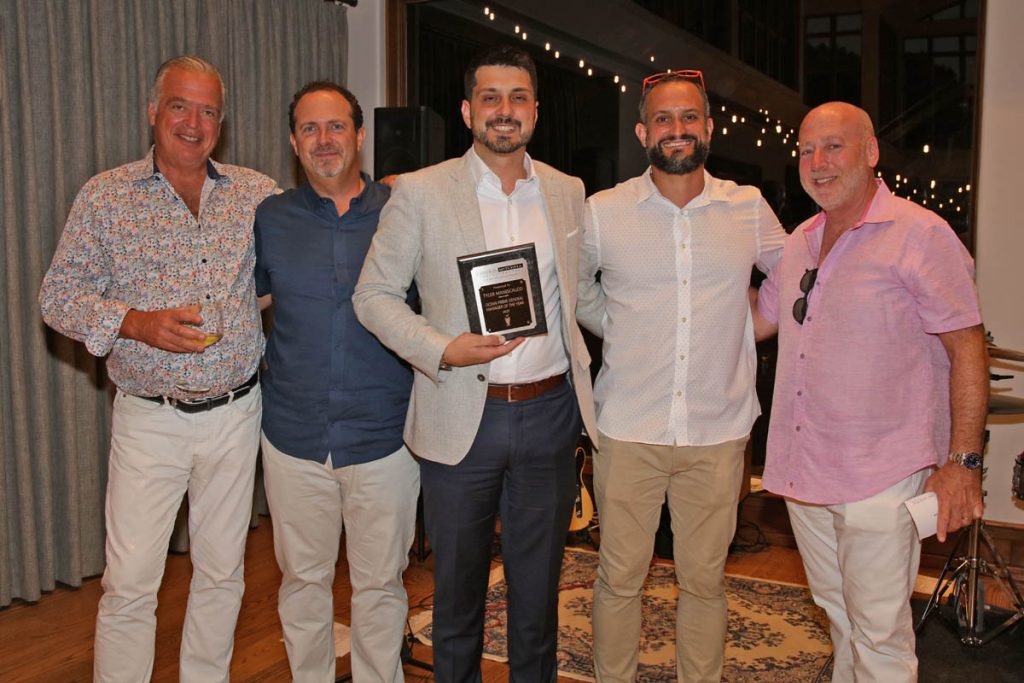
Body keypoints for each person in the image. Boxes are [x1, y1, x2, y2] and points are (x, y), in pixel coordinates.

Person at [353, 45, 597, 683]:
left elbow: (585, 297)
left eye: (518, 98)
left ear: (536, 112)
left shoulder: (569, 194)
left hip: (549, 415)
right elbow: (372, 296)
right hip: (460, 413)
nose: (504, 111)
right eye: (490, 98)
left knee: (538, 600)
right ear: (467, 111)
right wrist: (442, 348)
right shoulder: (422, 193)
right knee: (455, 600)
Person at [38, 56, 277, 682]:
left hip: (236, 414)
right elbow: (57, 296)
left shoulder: (256, 193)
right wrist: (136, 323)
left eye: (208, 111)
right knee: (131, 584)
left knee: (223, 574)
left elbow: (303, 257)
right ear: (153, 111)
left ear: (221, 124)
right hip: (151, 420)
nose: (193, 123)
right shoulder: (106, 195)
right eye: (180, 105)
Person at [752, 102, 987, 682]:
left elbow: (968, 349)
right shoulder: (799, 242)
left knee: (879, 632)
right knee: (839, 617)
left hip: (884, 470)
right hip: (807, 471)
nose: (818, 162)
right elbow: (757, 321)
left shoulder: (920, 234)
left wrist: (962, 462)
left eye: (834, 146)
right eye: (806, 150)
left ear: (871, 152)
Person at [577, 70, 787, 683]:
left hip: (717, 431)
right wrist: (619, 325)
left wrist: (746, 326)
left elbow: (794, 276)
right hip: (629, 426)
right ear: (644, 131)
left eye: (689, 117)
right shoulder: (603, 212)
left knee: (706, 580)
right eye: (664, 119)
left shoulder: (746, 208)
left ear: (709, 128)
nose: (677, 130)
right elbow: (573, 288)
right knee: (618, 578)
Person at [253, 81, 419, 682]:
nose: (324, 141)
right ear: (294, 141)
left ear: (360, 134)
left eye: (336, 126)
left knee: (380, 587)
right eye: (309, 128)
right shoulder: (269, 219)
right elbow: (243, 305)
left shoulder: (403, 210)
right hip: (293, 437)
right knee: (302, 586)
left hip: (385, 438)